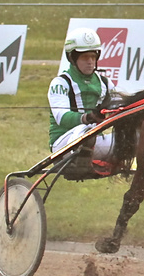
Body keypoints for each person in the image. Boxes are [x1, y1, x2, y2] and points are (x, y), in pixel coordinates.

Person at [48, 27, 116, 175]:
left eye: (93, 57)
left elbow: (120, 105)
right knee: (85, 133)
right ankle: (85, 155)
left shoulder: (105, 83)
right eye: (85, 58)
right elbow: (62, 117)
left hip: (94, 141)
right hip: (64, 145)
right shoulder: (60, 83)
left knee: (139, 135)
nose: (90, 62)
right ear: (72, 58)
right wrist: (87, 118)